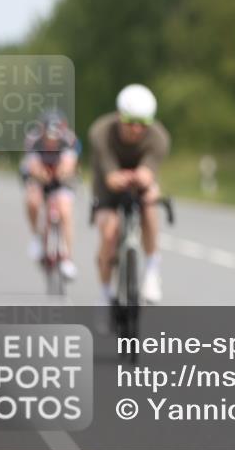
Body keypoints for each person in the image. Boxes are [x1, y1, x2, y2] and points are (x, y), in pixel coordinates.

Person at [89, 84, 169, 305]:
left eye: (142, 123)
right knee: (109, 233)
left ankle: (152, 269)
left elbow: (148, 171)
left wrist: (143, 178)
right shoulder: (101, 132)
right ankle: (105, 295)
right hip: (107, 186)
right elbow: (110, 177)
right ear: (118, 116)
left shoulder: (159, 137)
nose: (136, 129)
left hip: (139, 183)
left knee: (150, 205)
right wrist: (118, 178)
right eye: (130, 122)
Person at [20, 110, 80, 279]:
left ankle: (67, 257)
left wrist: (61, 173)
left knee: (65, 211)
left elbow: (69, 164)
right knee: (32, 200)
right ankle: (35, 237)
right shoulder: (33, 140)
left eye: (56, 135)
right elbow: (32, 165)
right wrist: (41, 175)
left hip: (62, 178)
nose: (52, 139)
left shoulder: (69, 140)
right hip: (39, 176)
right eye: (49, 135)